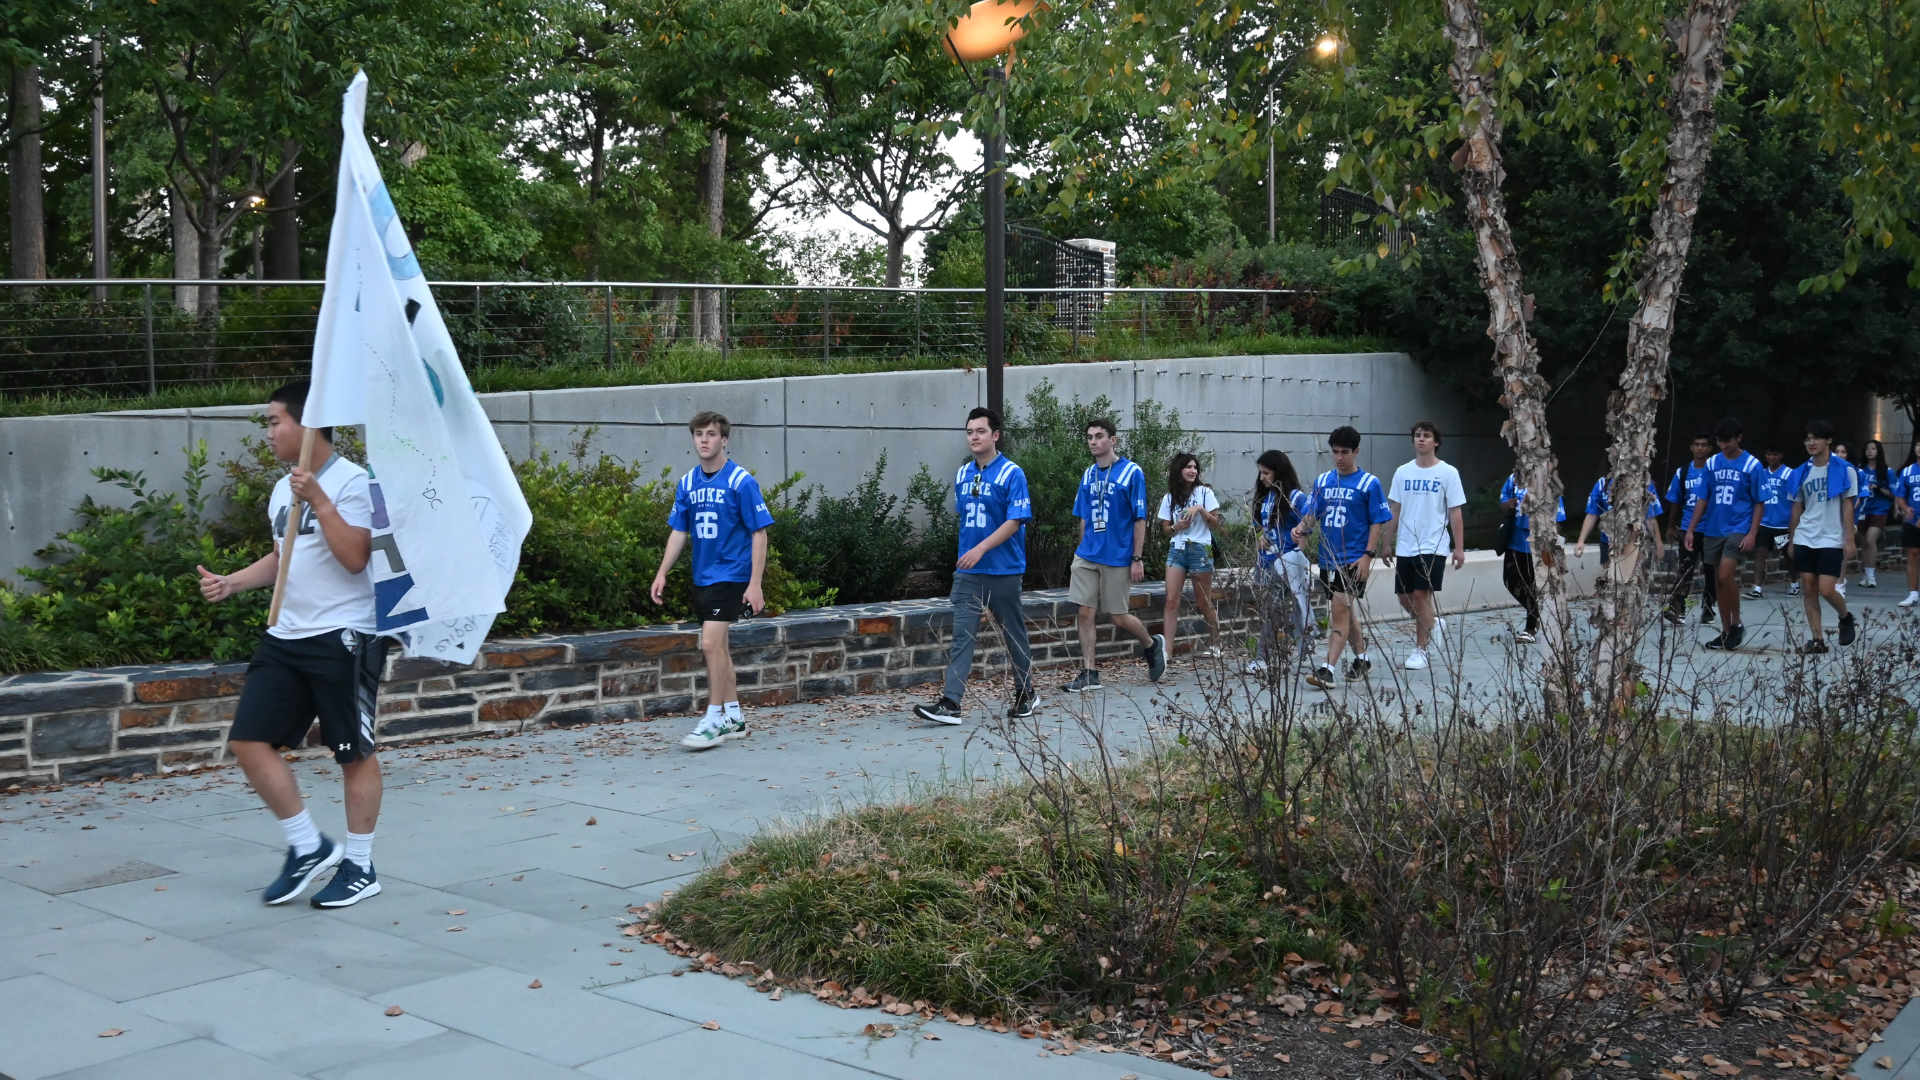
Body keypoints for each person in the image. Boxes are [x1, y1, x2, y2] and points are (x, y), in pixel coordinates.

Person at [195, 380, 390, 908]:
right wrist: (233, 582)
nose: (269, 432)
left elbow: (355, 558)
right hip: (286, 636)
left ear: (307, 426)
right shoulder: (284, 488)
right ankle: (307, 845)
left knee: (354, 752)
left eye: (276, 421)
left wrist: (321, 500)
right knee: (249, 740)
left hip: (344, 636)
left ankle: (359, 863)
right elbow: (285, 559)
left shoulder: (354, 483)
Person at [651, 411, 775, 750]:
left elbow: (759, 533)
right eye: (698, 434)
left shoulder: (741, 481)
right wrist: (662, 572)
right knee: (718, 648)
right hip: (703, 575)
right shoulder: (688, 482)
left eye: (710, 433)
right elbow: (679, 530)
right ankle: (734, 716)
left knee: (709, 644)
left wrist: (755, 583)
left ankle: (714, 717)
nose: (703, 439)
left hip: (732, 574)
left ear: (724, 440)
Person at [913, 407, 1036, 725]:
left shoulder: (1012, 473)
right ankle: (951, 703)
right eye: (969, 432)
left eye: (980, 431)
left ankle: (1026, 692)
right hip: (968, 572)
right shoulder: (962, 473)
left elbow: (1015, 520)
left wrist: (982, 548)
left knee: (1013, 633)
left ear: (995, 435)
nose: (974, 437)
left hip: (1003, 568)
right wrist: (971, 553)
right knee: (962, 635)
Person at [1062, 418, 1166, 694]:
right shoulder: (1088, 474)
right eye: (1089, 437)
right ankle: (1089, 672)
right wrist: (1081, 547)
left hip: (1118, 555)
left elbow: (1139, 518)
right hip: (1087, 555)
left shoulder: (1132, 473)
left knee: (1118, 615)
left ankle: (1152, 645)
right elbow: (1083, 516)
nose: (1093, 442)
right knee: (1085, 611)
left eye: (1099, 436)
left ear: (1113, 440)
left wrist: (1137, 558)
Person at [1294, 425, 1394, 690]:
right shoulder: (1324, 480)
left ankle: (1327, 669)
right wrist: (1301, 528)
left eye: (1345, 452)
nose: (1339, 457)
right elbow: (1313, 512)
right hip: (1329, 557)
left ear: (1356, 452)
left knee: (1338, 610)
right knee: (1345, 610)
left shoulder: (1368, 483)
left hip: (1353, 559)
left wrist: (1367, 556)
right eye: (1335, 452)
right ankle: (1362, 660)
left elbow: (1377, 521)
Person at [1382, 421, 1466, 669]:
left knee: (1421, 596)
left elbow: (1455, 512)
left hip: (1433, 544)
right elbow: (1394, 509)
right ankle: (1433, 623)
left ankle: (1421, 650)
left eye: (1426, 436)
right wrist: (1386, 542)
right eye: (1417, 435)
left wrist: (1459, 548)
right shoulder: (1403, 472)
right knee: (1404, 598)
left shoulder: (1448, 473)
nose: (1421, 439)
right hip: (1406, 545)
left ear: (1436, 442)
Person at [1683, 416, 1765, 650]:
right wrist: (1690, 528)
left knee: (1725, 575)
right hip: (1713, 528)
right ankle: (1726, 630)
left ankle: (1737, 624)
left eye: (1727, 441)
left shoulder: (1752, 465)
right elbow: (1702, 498)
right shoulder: (1711, 464)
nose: (1723, 446)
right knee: (1717, 582)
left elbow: (1759, 502)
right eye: (1719, 441)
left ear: (1739, 438)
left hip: (1738, 526)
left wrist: (1752, 533)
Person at [1787, 419, 1857, 652]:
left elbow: (1847, 506)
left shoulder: (1844, 470)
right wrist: (1792, 538)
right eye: (1807, 439)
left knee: (1827, 588)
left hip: (1831, 536)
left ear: (1828, 440)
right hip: (1806, 535)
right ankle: (1817, 640)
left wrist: (1849, 539)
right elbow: (1797, 507)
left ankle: (1845, 617)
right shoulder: (1800, 472)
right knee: (1808, 586)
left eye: (1816, 438)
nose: (1811, 442)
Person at [1250, 449, 1314, 673]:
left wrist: (1297, 556)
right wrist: (1260, 539)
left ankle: (1266, 655)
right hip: (1266, 560)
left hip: (1287, 559)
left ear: (1279, 472)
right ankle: (1277, 652)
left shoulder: (1295, 497)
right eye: (1260, 473)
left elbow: (1306, 528)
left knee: (1293, 605)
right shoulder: (1265, 497)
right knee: (1269, 609)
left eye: (1266, 473)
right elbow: (1260, 529)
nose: (1262, 478)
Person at [1157, 452, 1222, 656]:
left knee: (1203, 601)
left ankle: (1216, 644)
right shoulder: (1169, 498)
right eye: (1188, 467)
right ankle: (1166, 652)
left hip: (1200, 549)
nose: (1192, 471)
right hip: (1177, 550)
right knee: (1171, 600)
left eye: (1195, 467)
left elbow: (1217, 525)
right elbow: (1166, 530)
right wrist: (1177, 527)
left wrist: (1201, 510)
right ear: (1179, 470)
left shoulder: (1204, 493)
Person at [1498, 470, 1566, 644]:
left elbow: (1557, 517)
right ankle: (1535, 613)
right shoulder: (1514, 478)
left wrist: (1553, 545)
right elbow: (1503, 503)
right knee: (1510, 580)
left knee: (1532, 583)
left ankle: (1530, 626)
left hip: (1537, 542)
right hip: (1514, 540)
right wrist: (1510, 504)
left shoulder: (1548, 481)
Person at [1662, 433, 1717, 624]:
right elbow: (1675, 501)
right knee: (1685, 569)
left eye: (1704, 445)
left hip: (1711, 530)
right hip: (1688, 529)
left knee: (1712, 572)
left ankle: (1708, 609)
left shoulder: (1716, 471)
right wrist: (1671, 526)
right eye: (1697, 444)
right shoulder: (1683, 472)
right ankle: (1678, 610)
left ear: (1710, 448)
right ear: (1691, 447)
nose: (1700, 448)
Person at [1572, 475, 1664, 567]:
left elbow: (1650, 517)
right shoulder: (1602, 483)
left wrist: (1658, 544)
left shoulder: (1644, 484)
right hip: (1608, 541)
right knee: (1608, 575)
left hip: (1635, 542)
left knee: (1633, 577)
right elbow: (1592, 514)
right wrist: (1581, 541)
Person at [1751, 444, 1794, 599]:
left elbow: (1795, 499)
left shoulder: (1789, 474)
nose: (1771, 457)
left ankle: (1794, 583)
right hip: (1764, 521)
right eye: (1769, 454)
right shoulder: (1762, 473)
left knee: (1787, 555)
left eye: (1775, 454)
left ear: (1781, 455)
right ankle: (1757, 587)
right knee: (1760, 552)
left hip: (1783, 522)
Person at [1854, 439, 1893, 588]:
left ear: (1879, 451)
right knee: (1863, 542)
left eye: (1873, 449)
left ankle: (1871, 576)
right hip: (1863, 508)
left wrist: (1878, 488)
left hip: (1879, 509)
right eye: (1867, 449)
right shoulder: (1859, 470)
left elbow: (1893, 493)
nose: (1870, 451)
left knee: (1871, 540)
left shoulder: (1886, 471)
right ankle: (1866, 574)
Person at [1893, 437, 1920, 609]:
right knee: (1912, 553)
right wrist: (1905, 508)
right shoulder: (1908, 471)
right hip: (1913, 521)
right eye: (1918, 445)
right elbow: (1900, 495)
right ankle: (1913, 593)